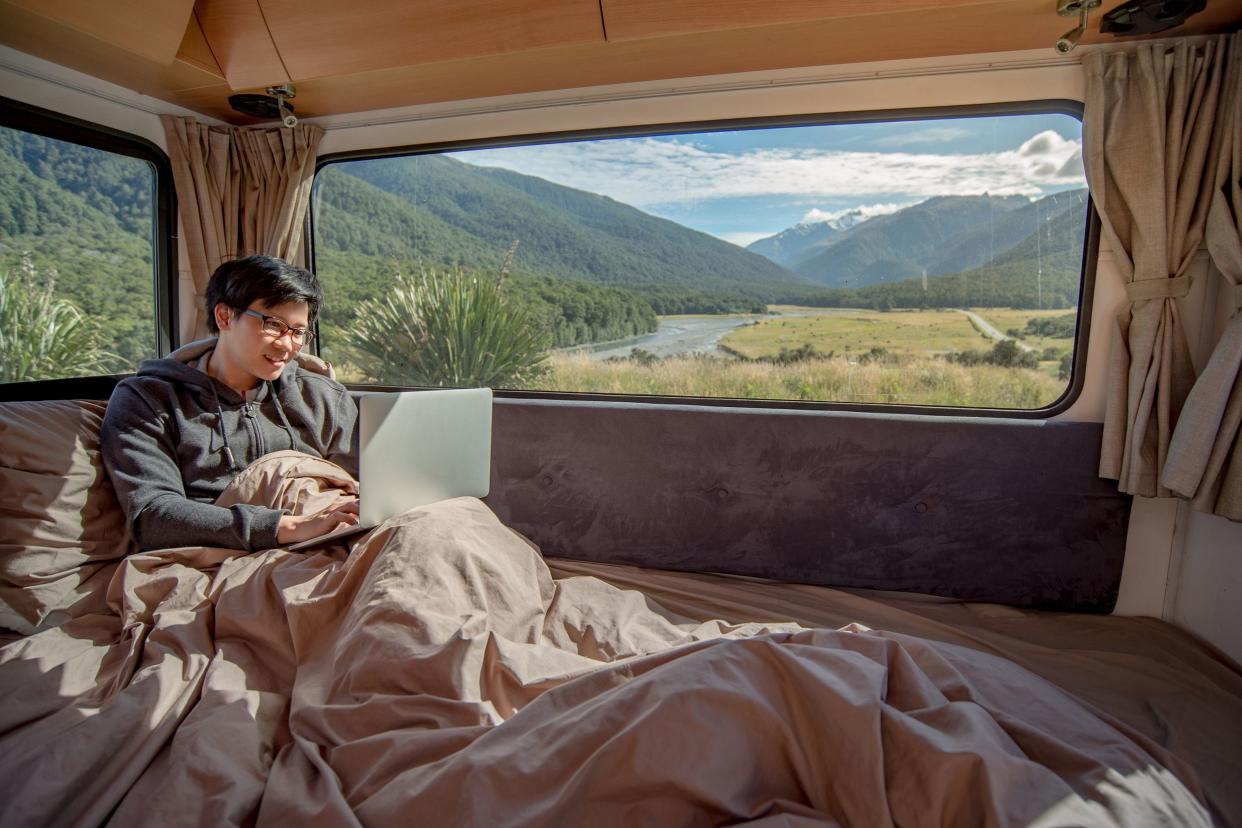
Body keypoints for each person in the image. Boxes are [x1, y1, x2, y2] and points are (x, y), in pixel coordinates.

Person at [102, 255, 361, 552]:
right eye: (273, 324)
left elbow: (365, 487)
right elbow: (152, 516)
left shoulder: (321, 395)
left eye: (298, 332)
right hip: (226, 556)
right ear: (224, 317)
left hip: (333, 540)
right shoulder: (149, 400)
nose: (286, 345)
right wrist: (284, 527)